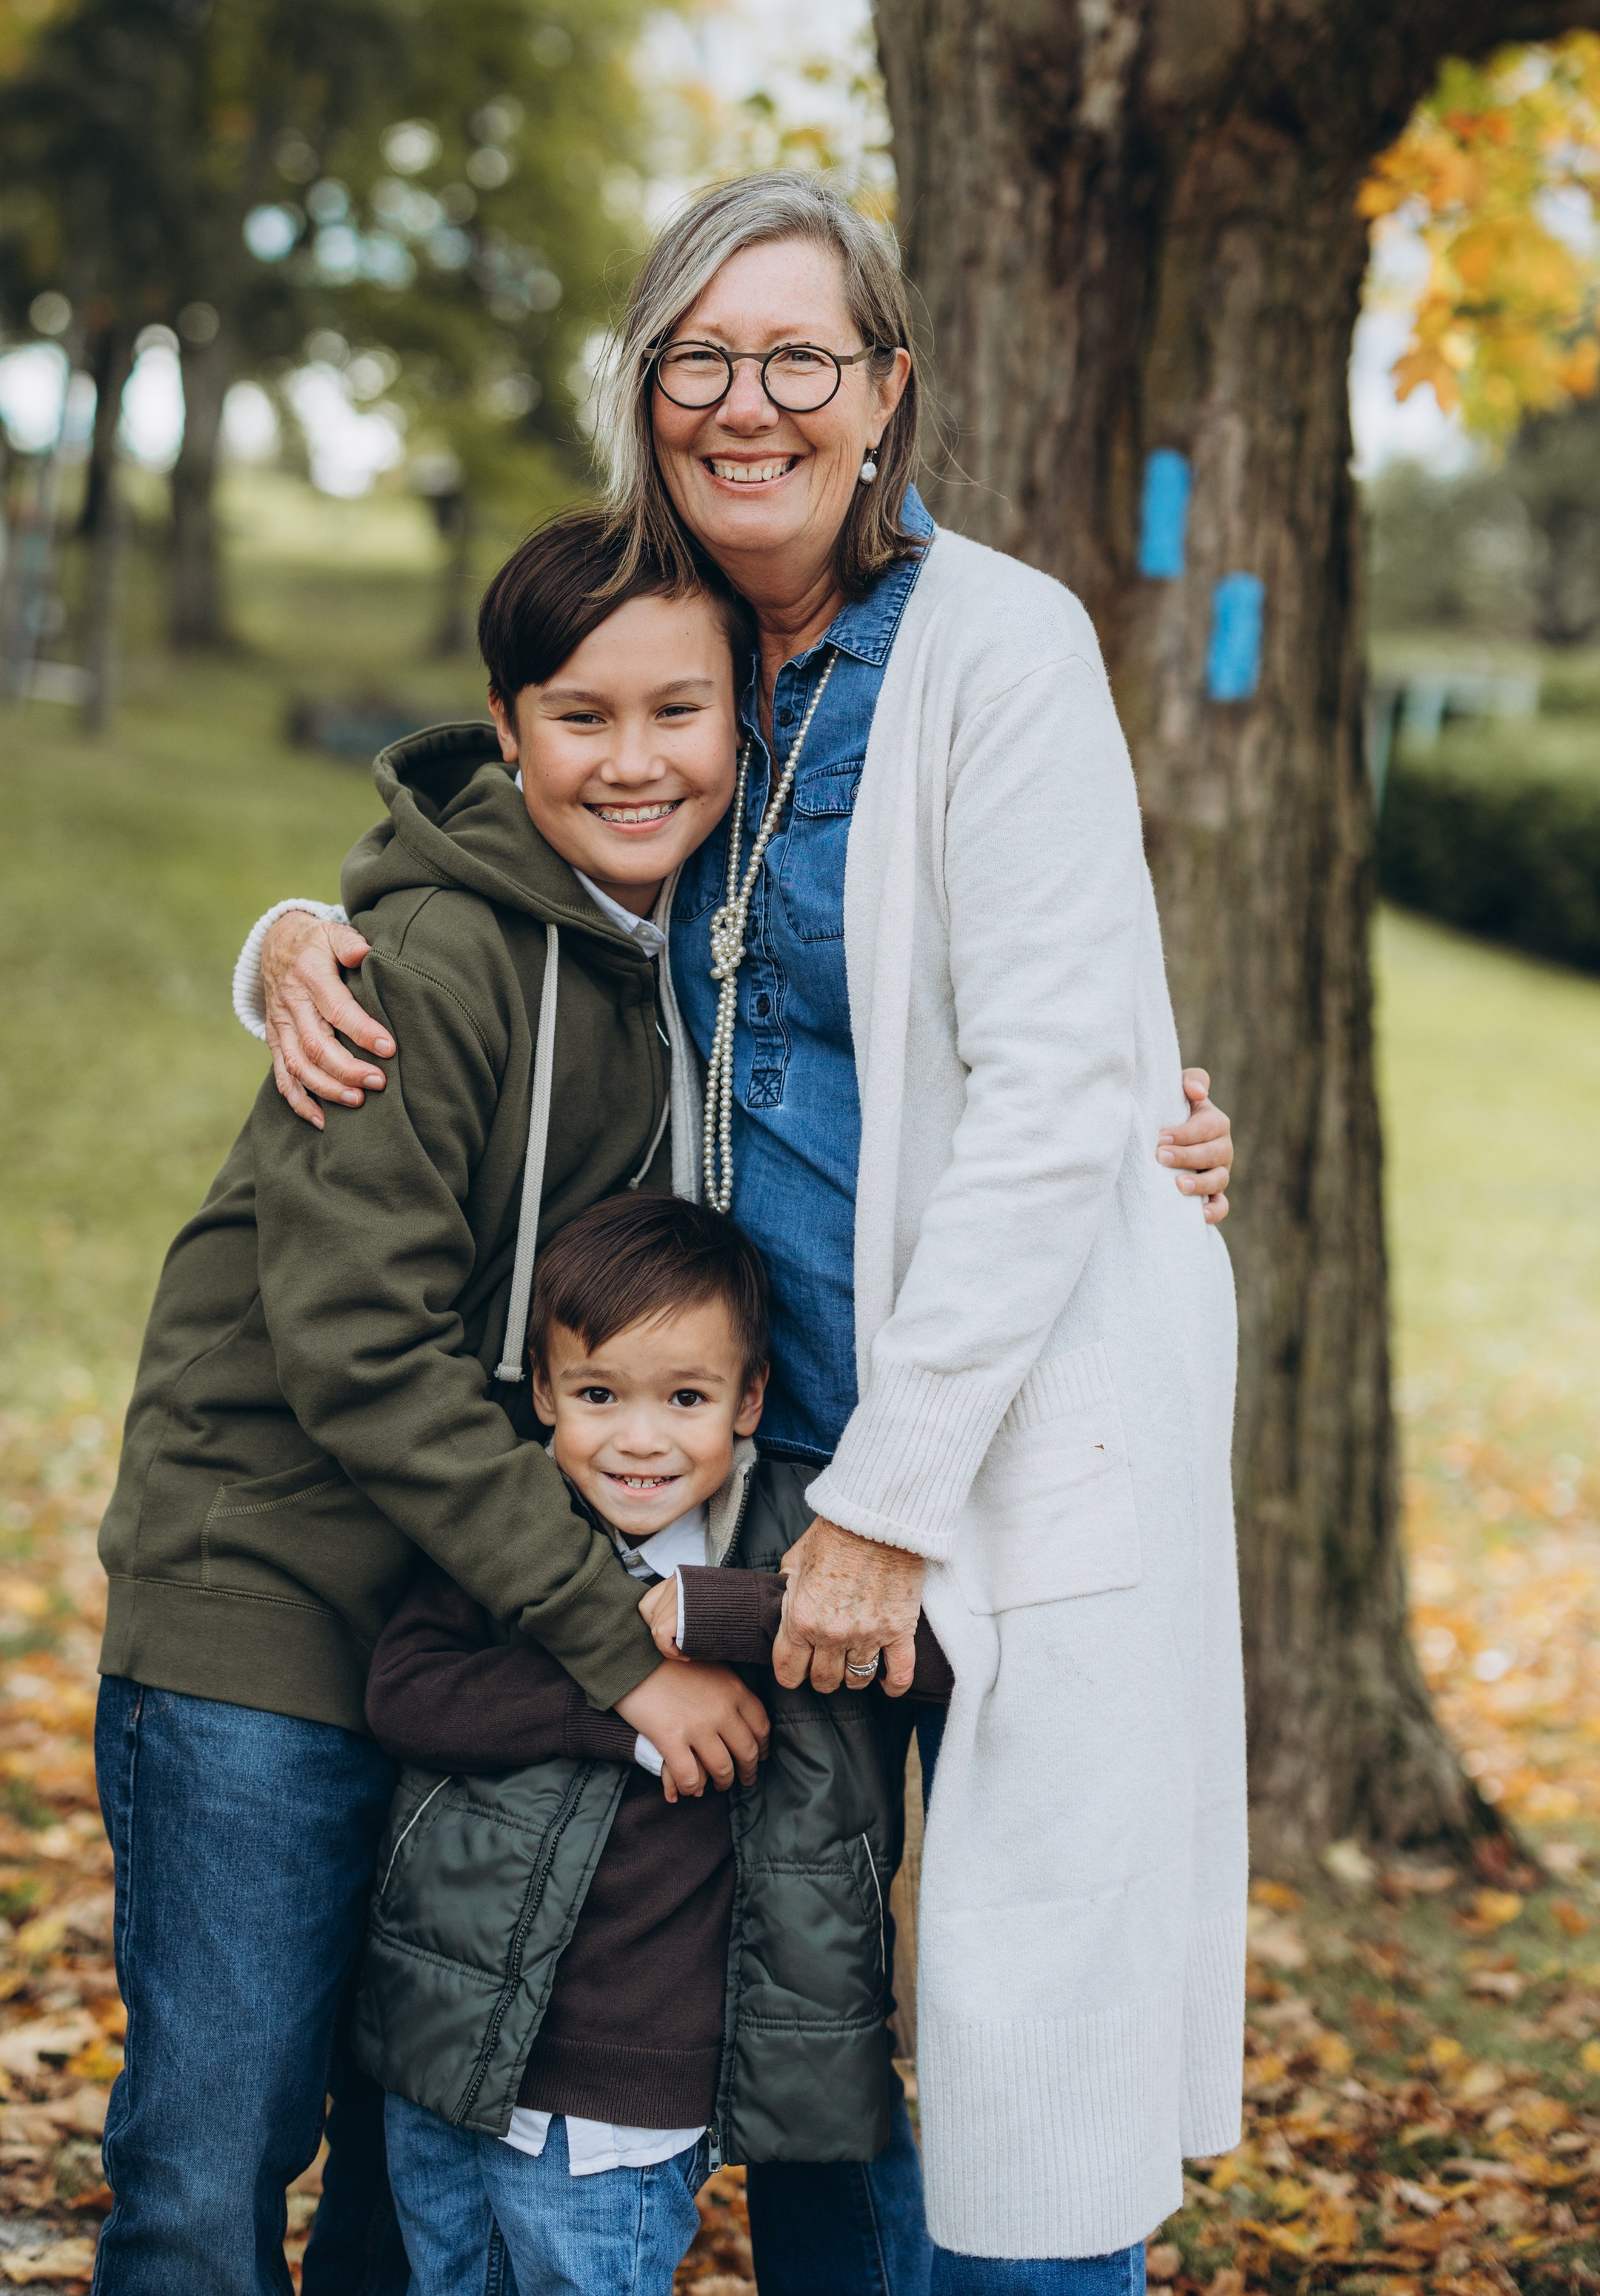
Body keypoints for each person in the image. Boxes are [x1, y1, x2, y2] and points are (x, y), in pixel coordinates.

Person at [243, 170, 1247, 2296]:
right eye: (701, 356)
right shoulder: (674, 637)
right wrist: (287, 941)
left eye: (801, 356)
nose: (749, 402)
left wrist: (890, 1501)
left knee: (1015, 2058)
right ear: (647, 391)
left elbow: (1063, 1074)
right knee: (810, 2044)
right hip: (749, 1470)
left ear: (886, 392)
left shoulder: (1001, 646)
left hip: (990, 1455)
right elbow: (499, 835)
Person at [91, 512, 773, 2296]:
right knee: (215, 2152)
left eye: (676, 712)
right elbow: (356, 1348)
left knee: (423, 2176)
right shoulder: (435, 967)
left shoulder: (694, 963)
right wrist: (614, 1640)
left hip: (467, 1640)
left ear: (741, 719)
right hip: (274, 1613)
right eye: (579, 716)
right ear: (504, 721)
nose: (633, 761)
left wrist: (1137, 1134)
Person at [359, 1192, 952, 2296]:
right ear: (542, 1393)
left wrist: (714, 1615)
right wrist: (619, 1702)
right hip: (447, 2041)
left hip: (632, 2081)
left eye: (686, 1397)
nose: (640, 1438)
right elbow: (406, 1693)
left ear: (749, 1398)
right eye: (596, 1395)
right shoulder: (519, 1532)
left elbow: (930, 1650)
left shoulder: (802, 1539)